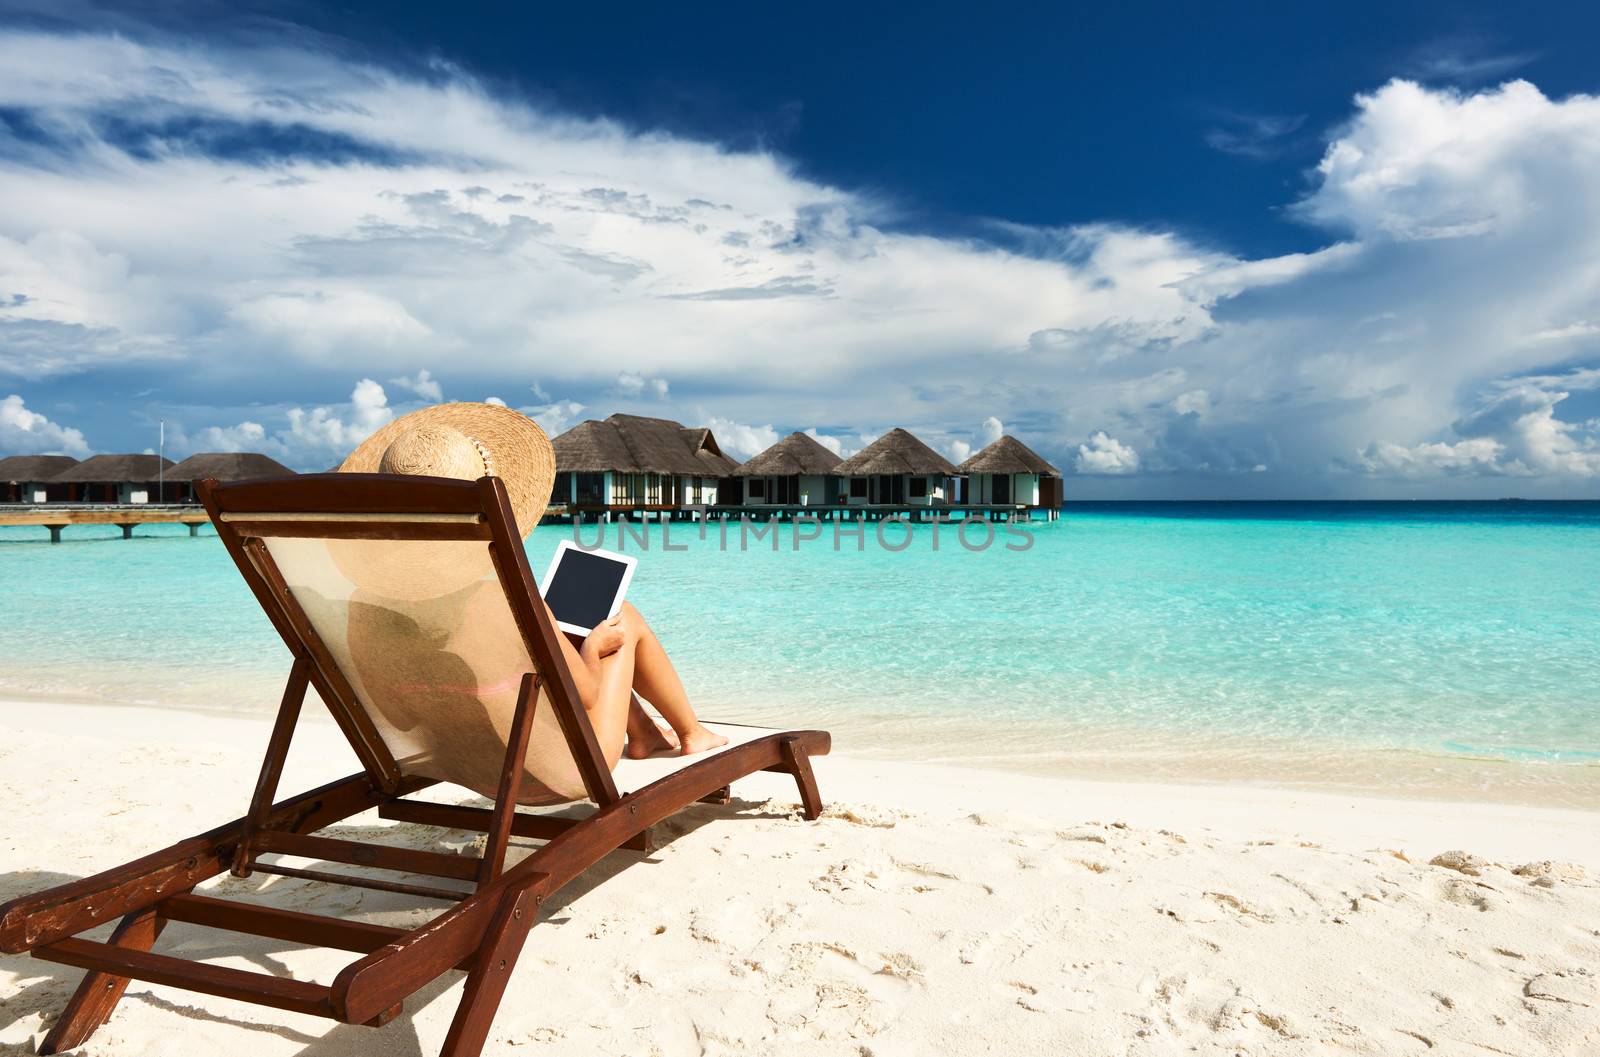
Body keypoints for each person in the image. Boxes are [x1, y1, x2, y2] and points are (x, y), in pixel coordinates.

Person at [338, 402, 728, 772]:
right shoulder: (502, 603)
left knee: (557, 637)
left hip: (468, 760)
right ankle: (692, 732)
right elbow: (587, 693)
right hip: (557, 767)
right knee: (618, 616)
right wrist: (589, 650)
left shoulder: (365, 609)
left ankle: (643, 732)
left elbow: (397, 717)